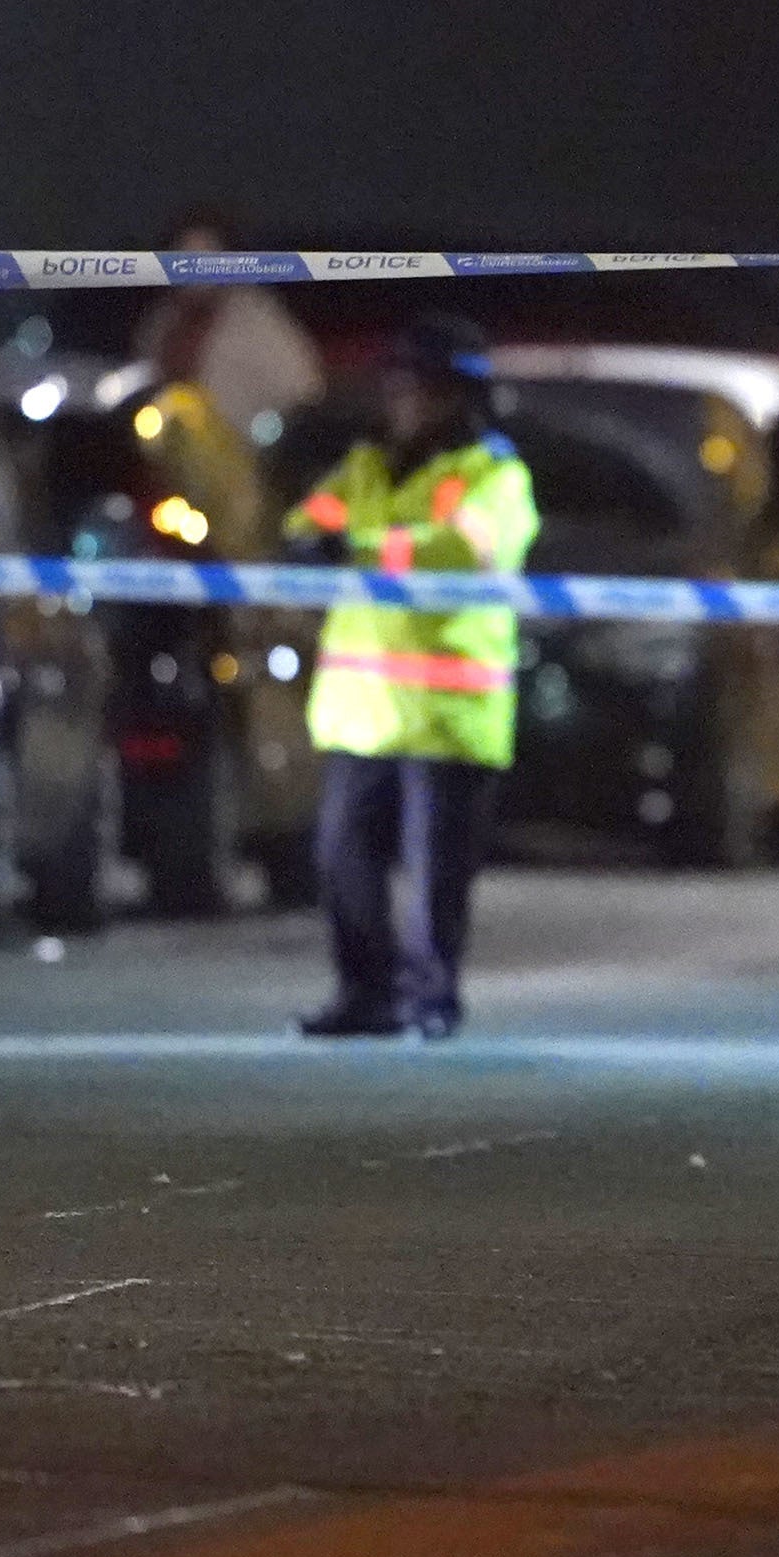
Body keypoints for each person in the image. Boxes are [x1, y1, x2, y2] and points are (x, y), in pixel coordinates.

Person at [282, 312, 539, 1040]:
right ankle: (365, 993)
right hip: (363, 707)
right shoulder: (365, 465)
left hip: (447, 711)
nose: (400, 397)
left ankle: (432, 998)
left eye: (415, 384)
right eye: (395, 382)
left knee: (436, 878)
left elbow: (469, 550)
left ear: (457, 394)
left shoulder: (494, 473)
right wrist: (314, 542)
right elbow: (307, 524)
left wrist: (360, 547)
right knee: (340, 859)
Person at [133, 210, 326, 443]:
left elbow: (304, 389)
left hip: (247, 454)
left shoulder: (256, 319)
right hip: (173, 455)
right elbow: (147, 382)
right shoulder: (162, 323)